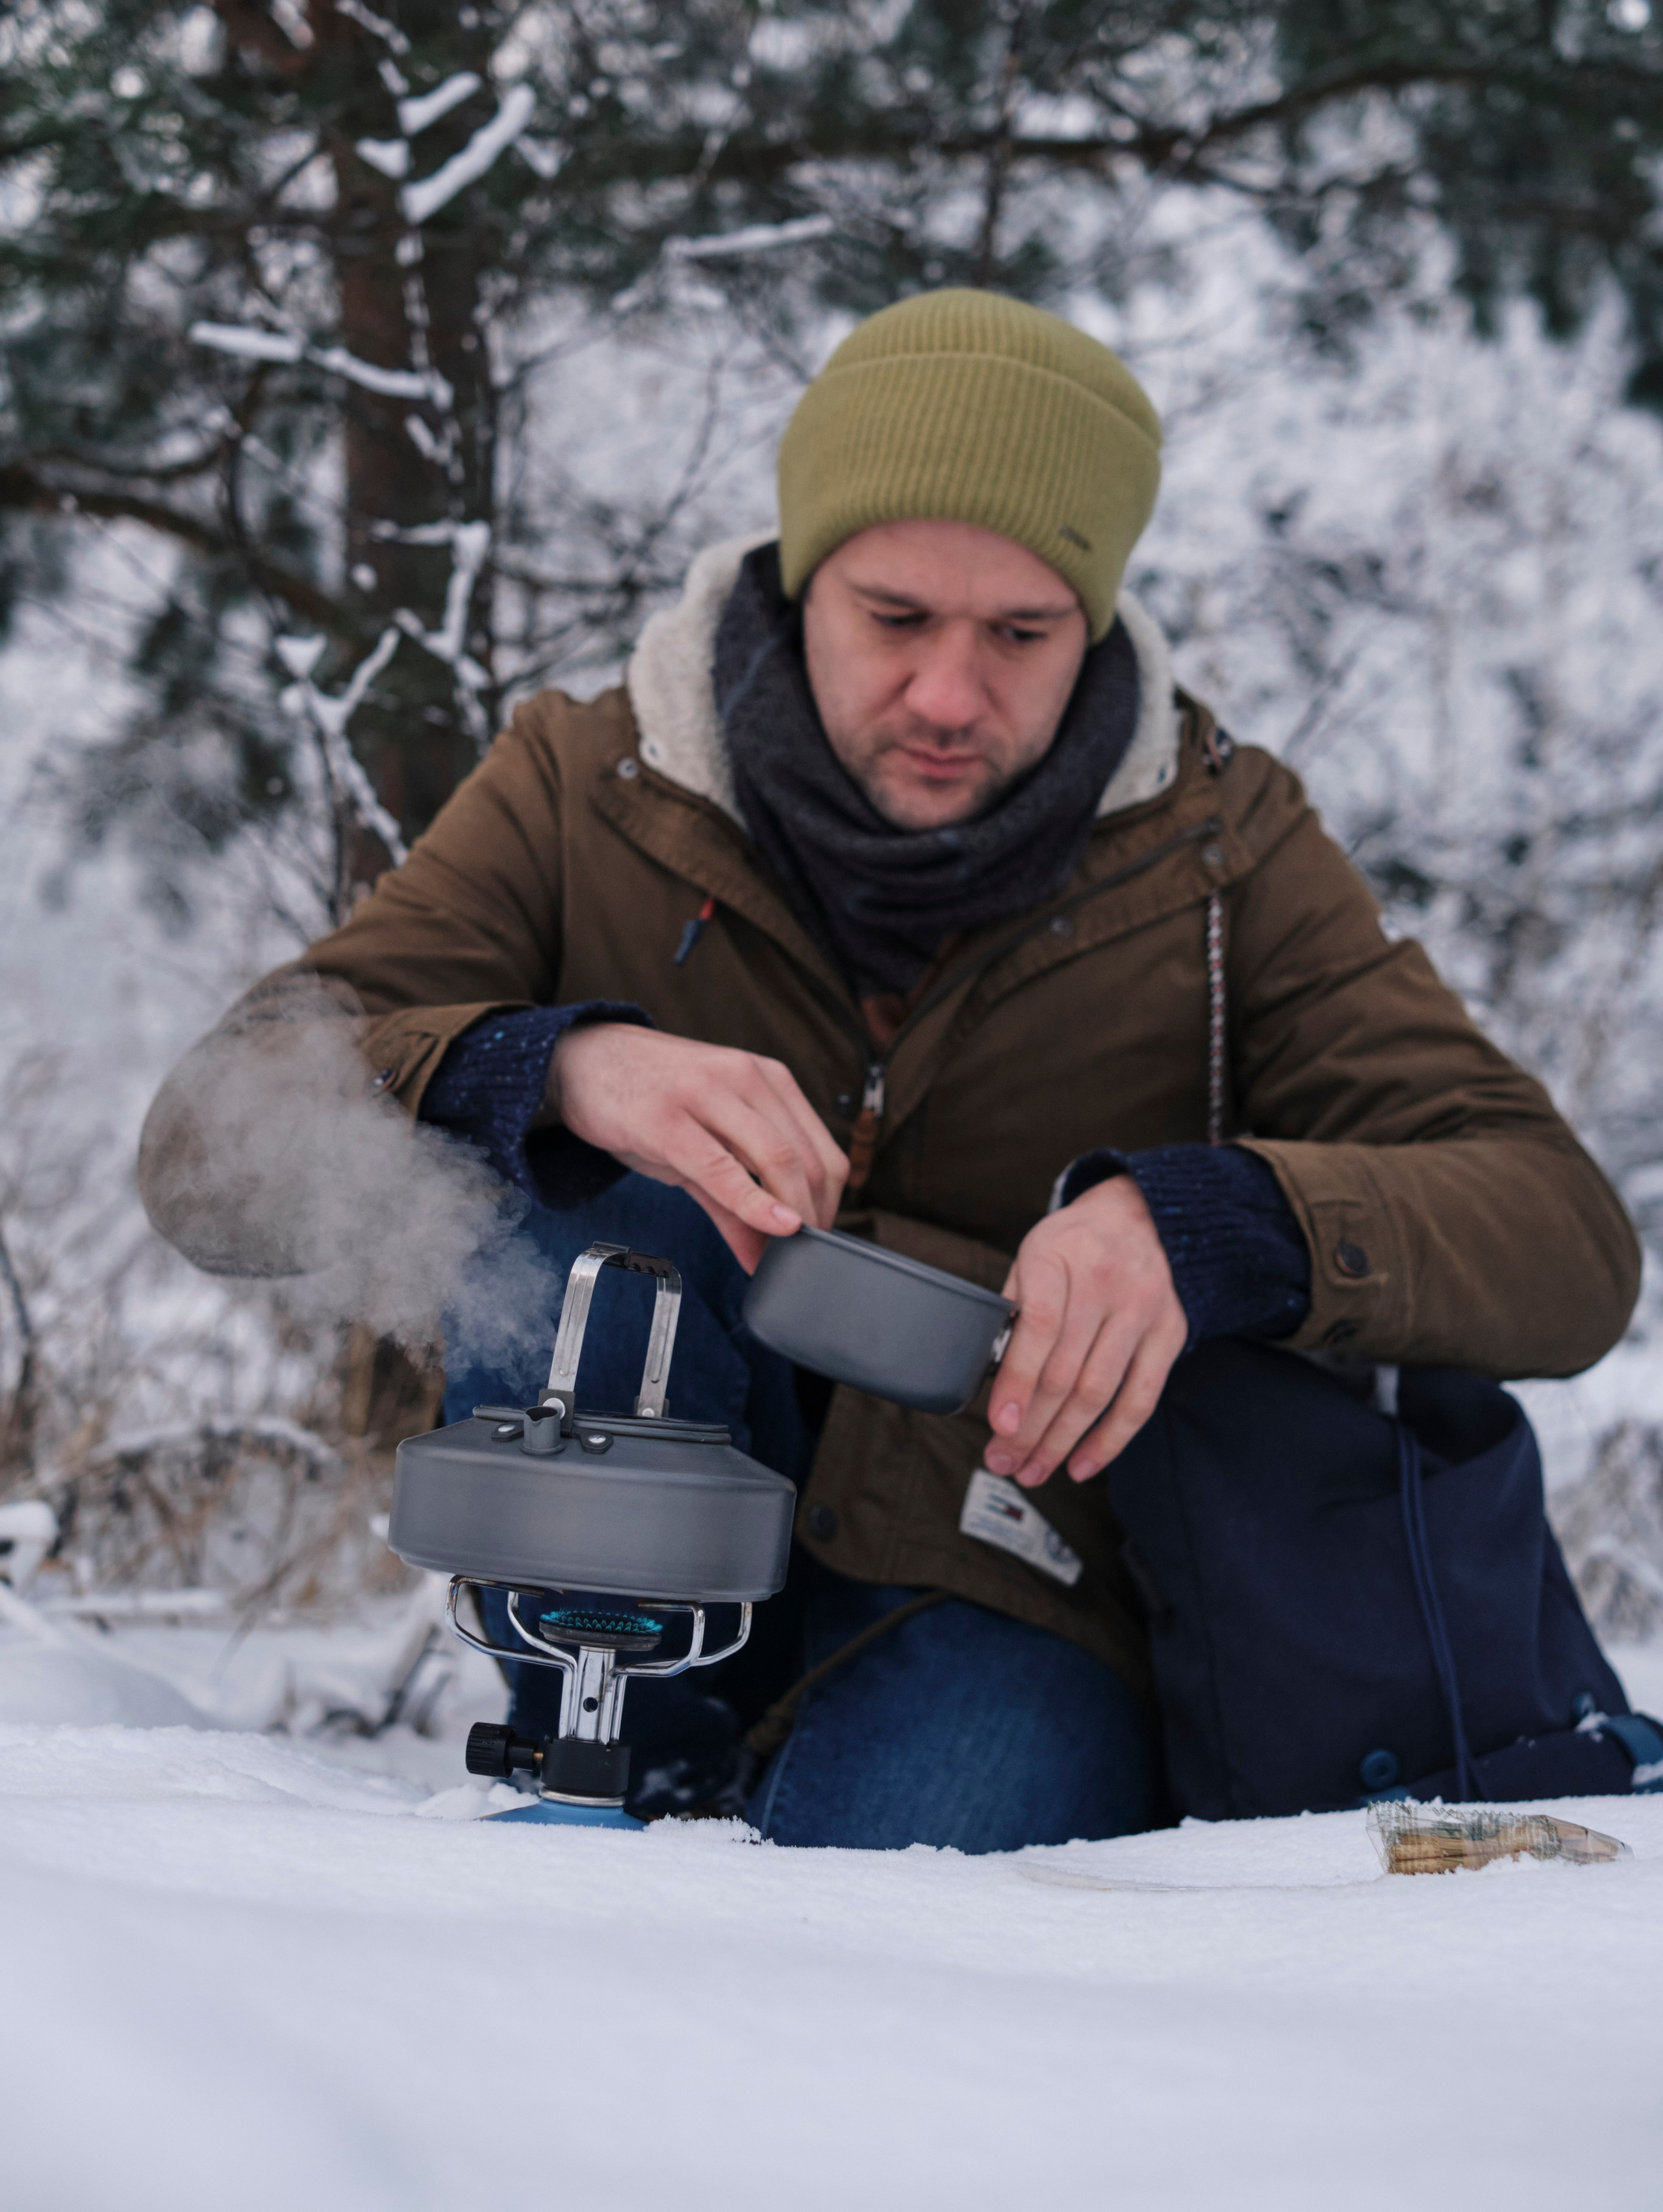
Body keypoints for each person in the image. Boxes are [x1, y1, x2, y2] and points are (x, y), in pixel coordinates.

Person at [138, 290, 1640, 1849]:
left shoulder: (1220, 858)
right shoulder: (586, 789)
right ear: (801, 585)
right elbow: (204, 1145)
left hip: (1017, 1575)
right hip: (609, 1577)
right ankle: (608, 1763)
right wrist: (553, 1065)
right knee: (595, 1199)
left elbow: (1563, 1243)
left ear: (1098, 619)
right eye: (895, 618)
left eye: (1019, 634)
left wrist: (1215, 1227)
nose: (945, 696)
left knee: (882, 1931)